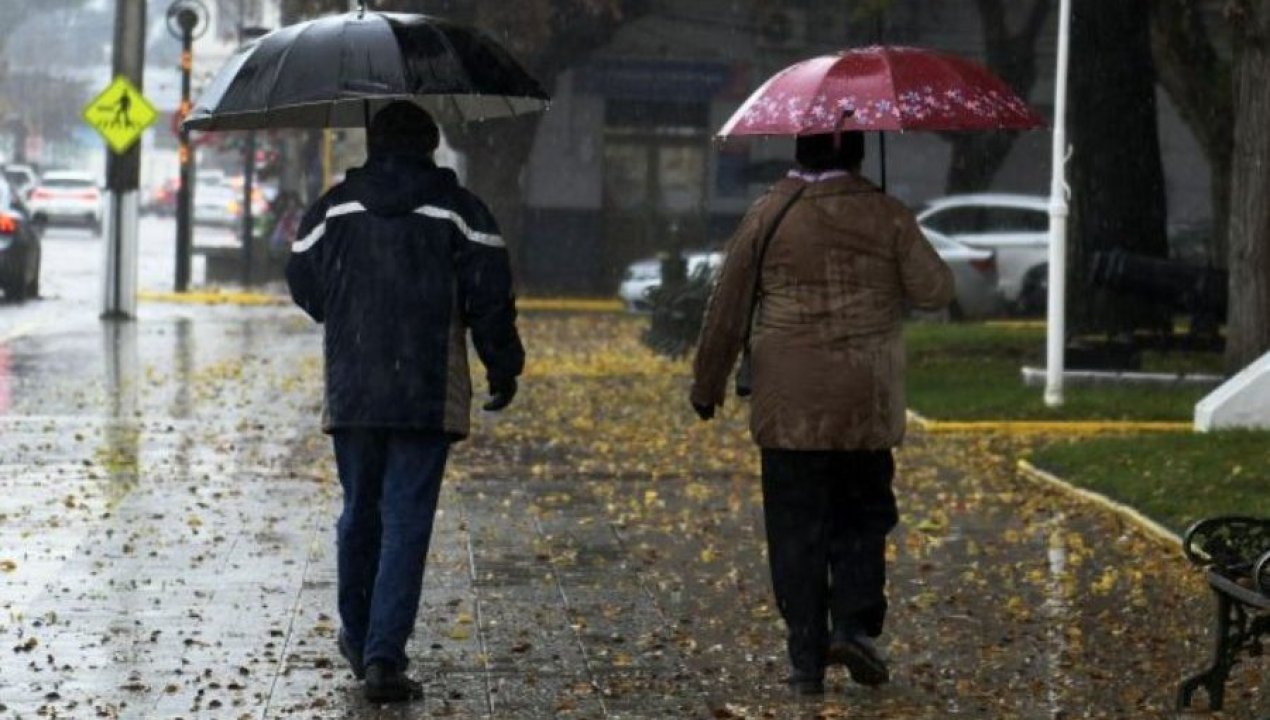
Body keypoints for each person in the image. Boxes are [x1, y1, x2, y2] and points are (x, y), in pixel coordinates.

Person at [689, 131, 953, 696]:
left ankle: (805, 658)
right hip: (864, 403)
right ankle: (853, 626)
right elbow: (936, 290)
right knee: (862, 519)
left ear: (798, 152)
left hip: (791, 409)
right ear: (858, 154)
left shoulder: (768, 213)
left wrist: (706, 384)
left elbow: (728, 308)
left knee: (796, 532)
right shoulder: (886, 214)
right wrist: (889, 237)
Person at [286, 101, 524, 703]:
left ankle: (358, 631)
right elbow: (490, 296)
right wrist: (502, 366)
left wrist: (345, 312)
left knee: (359, 512)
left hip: (354, 387)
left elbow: (301, 277)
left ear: (372, 146)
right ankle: (383, 657)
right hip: (426, 389)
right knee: (406, 520)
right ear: (430, 146)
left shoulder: (334, 209)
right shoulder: (461, 212)